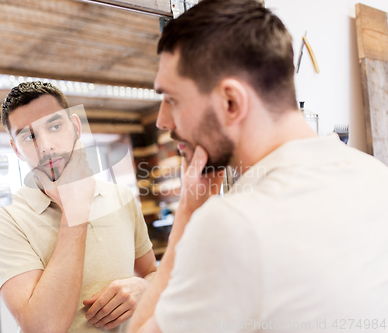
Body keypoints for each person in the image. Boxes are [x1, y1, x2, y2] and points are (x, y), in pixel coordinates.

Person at [128, 0, 388, 332]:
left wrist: (189, 214)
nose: (163, 121)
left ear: (231, 102)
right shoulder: (375, 175)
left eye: (172, 100)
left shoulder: (233, 225)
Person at [0, 81, 157, 333]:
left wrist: (144, 288)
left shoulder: (121, 196)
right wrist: (75, 209)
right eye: (29, 136)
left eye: (55, 126)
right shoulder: (5, 217)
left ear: (76, 127)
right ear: (16, 149)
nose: (46, 146)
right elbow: (42, 328)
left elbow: (151, 273)